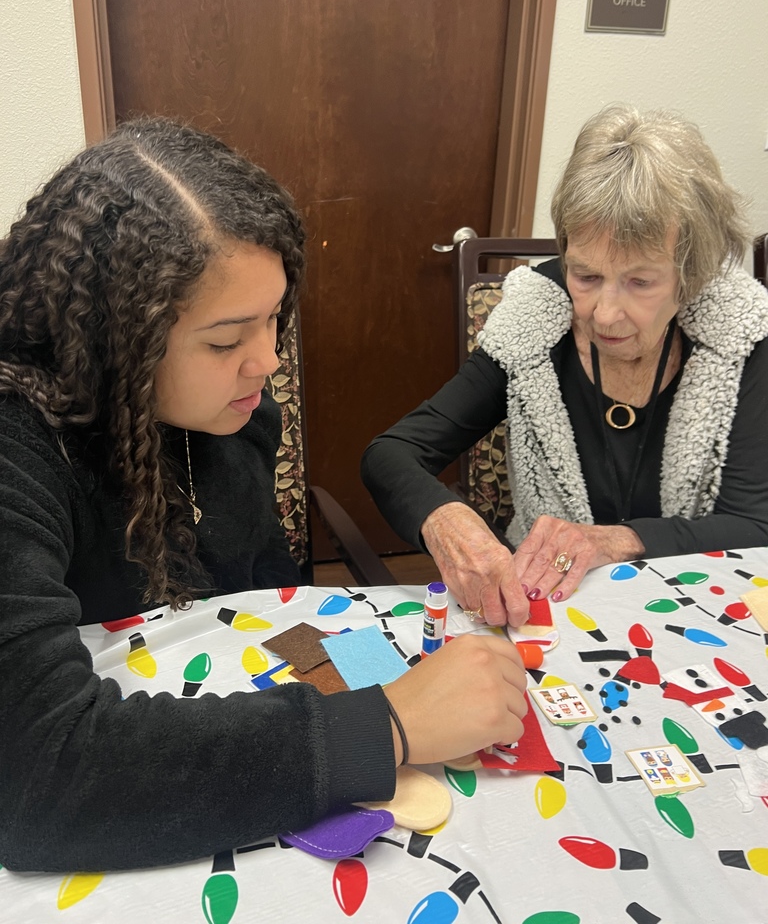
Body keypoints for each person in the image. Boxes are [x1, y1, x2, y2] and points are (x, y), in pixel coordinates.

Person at [0, 118, 528, 873]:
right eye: (225, 340)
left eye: (275, 319)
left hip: (224, 769)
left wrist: (375, 679)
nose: (267, 361)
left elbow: (267, 600)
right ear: (117, 339)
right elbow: (36, 778)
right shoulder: (17, 449)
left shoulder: (233, 417)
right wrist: (386, 725)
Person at [362, 104, 768, 629]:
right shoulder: (534, 323)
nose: (604, 313)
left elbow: (755, 525)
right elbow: (391, 452)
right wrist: (447, 520)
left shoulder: (739, 335)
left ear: (692, 274)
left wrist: (617, 539)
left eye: (640, 282)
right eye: (585, 275)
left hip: (695, 610)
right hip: (548, 613)